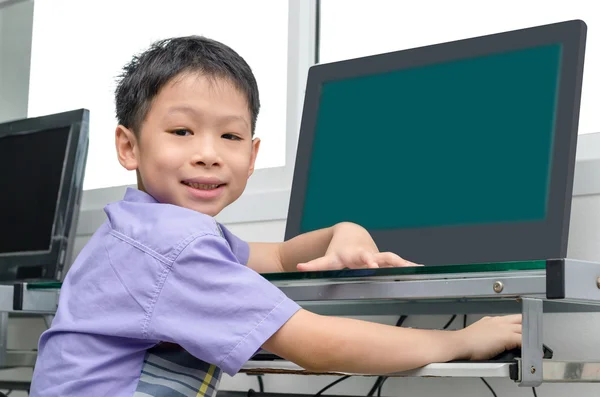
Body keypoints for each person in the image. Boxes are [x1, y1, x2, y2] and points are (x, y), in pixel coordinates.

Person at [29, 36, 522, 397]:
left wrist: (342, 232)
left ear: (252, 151)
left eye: (229, 136)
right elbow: (316, 344)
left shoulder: (144, 229)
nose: (208, 154)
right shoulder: (169, 247)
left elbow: (283, 254)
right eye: (181, 131)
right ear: (128, 145)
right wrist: (461, 341)